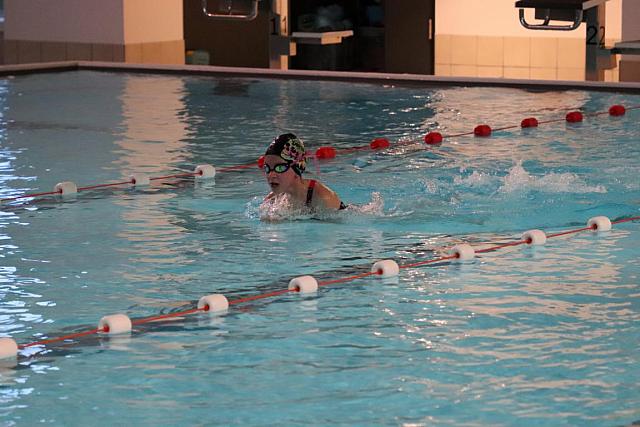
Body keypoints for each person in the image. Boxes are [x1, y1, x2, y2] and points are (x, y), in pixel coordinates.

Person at [262, 133, 347, 211]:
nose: (271, 175)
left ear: (297, 169)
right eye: (267, 168)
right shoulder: (271, 201)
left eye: (280, 167)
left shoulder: (324, 198)